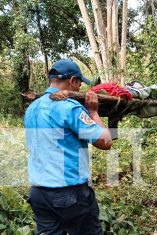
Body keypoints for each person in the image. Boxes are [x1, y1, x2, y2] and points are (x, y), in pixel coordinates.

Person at [24, 59, 112, 234]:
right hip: (69, 193)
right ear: (72, 81)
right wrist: (93, 112)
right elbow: (105, 142)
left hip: (39, 194)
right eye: (79, 83)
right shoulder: (69, 107)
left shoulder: (32, 108)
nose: (80, 89)